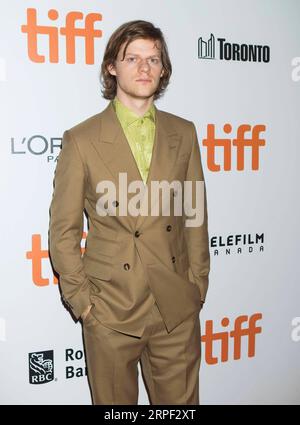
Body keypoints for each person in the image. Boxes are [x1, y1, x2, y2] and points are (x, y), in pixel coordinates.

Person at [49, 19, 210, 405]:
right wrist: (85, 304)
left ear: (164, 69)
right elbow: (63, 231)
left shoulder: (183, 132)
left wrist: (196, 286)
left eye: (153, 59)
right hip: (111, 309)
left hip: (175, 307)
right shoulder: (82, 139)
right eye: (133, 58)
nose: (144, 68)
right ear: (112, 67)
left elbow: (195, 215)